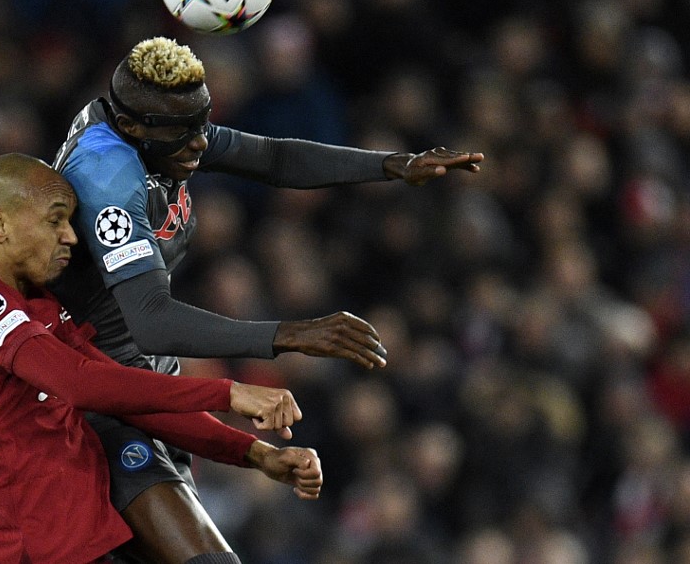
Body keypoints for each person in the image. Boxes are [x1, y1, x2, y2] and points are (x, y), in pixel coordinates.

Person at [52, 36, 485, 563]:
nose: (201, 142)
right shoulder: (106, 176)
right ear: (132, 126)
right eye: (186, 132)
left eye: (204, 122)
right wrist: (290, 334)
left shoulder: (159, 125)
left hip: (150, 387)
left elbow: (273, 157)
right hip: (95, 399)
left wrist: (394, 165)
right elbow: (150, 319)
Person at [0, 153, 324, 564]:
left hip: (93, 541)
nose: (70, 236)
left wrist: (256, 453)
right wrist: (227, 393)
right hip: (31, 553)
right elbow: (80, 383)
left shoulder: (38, 305)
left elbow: (126, 396)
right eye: (54, 221)